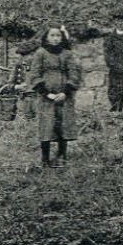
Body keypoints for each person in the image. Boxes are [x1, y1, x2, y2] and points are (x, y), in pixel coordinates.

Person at [24, 26, 82, 167]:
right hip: (46, 98)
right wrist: (46, 93)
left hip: (64, 97)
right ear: (46, 37)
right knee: (46, 126)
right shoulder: (40, 53)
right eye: (52, 35)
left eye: (58, 36)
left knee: (63, 125)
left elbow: (73, 75)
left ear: (62, 38)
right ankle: (45, 160)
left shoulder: (67, 54)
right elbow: (35, 75)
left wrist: (65, 92)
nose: (55, 38)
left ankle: (62, 157)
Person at [103, 9, 123, 113]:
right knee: (116, 105)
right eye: (116, 20)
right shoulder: (110, 39)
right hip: (117, 76)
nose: (119, 23)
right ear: (113, 22)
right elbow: (109, 60)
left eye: (122, 20)